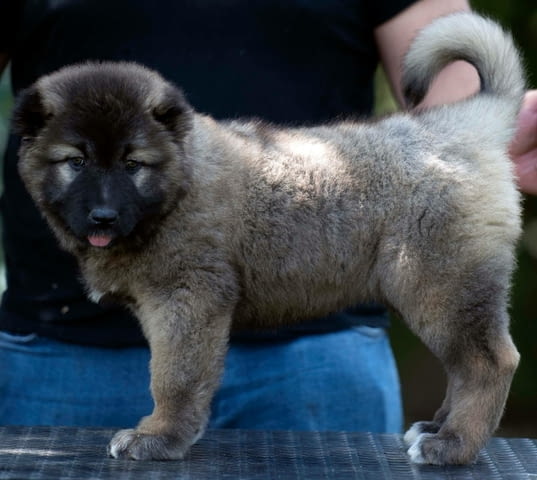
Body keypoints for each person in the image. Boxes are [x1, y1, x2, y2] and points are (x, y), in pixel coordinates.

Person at [0, 0, 535, 433]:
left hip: (318, 359)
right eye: (74, 164)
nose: (104, 200)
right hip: (58, 355)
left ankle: (469, 416)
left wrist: (478, 138)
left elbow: (445, 77)